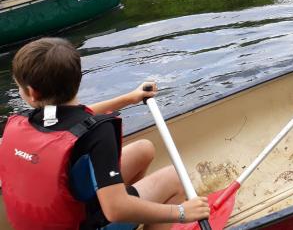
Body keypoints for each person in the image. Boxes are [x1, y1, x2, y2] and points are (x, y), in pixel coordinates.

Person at [0, 37, 210, 230]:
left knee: (144, 149)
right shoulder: (98, 134)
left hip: (52, 216)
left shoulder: (24, 121)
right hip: (86, 221)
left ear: (32, 93)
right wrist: (181, 212)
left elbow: (75, 116)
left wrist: (130, 98)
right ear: (76, 78)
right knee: (175, 178)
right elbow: (115, 209)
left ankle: (129, 202)